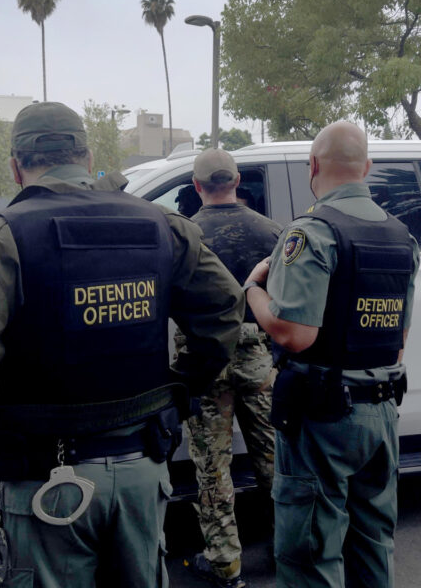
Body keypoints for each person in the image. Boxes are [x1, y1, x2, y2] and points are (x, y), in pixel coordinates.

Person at [0, 102, 243, 588]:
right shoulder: (163, 225)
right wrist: (185, 384)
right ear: (88, 159)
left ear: (15, 167)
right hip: (141, 470)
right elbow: (225, 307)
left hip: (44, 481)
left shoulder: (1, 240)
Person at [243, 121, 419, 588]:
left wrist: (253, 289)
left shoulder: (312, 232)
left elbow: (293, 333)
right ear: (367, 167)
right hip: (381, 413)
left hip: (323, 420)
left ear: (313, 165)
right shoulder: (401, 237)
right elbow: (398, 337)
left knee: (310, 555)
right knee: (372, 546)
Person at [183, 149, 280, 588]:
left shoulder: (185, 234)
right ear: (238, 181)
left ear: (196, 185)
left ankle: (225, 564)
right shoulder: (271, 231)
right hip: (258, 353)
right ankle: (286, 545)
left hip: (205, 356)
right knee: (272, 455)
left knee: (212, 464)